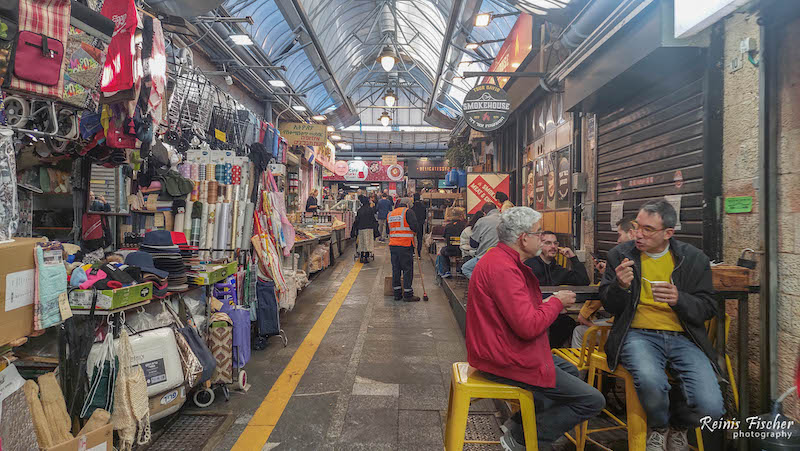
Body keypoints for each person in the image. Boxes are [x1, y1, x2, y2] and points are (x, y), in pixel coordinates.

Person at [467, 207, 605, 451]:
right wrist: (555, 302)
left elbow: (516, 312)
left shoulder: (502, 261)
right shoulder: (504, 268)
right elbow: (528, 327)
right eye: (539, 233)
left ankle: (518, 425)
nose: (542, 238)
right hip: (503, 357)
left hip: (500, 348)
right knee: (592, 400)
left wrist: (545, 306)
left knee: (569, 370)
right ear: (523, 238)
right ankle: (525, 439)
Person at [599, 200, 723, 450]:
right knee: (650, 379)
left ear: (668, 233)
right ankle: (659, 427)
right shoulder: (619, 255)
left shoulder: (692, 258)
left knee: (712, 406)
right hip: (637, 335)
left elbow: (709, 307)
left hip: (683, 337)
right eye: (637, 226)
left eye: (648, 229)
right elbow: (609, 304)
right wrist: (619, 287)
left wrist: (680, 299)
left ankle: (678, 427)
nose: (638, 234)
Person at [572, 216, 637, 348]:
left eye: (619, 235)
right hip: (630, 326)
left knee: (579, 332)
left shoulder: (625, 259)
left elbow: (608, 292)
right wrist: (608, 273)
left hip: (627, 329)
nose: (618, 241)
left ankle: (581, 368)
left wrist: (584, 316)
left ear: (631, 233)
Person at [388, 198, 420, 302]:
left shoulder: (391, 214)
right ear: (407, 204)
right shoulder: (408, 212)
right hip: (405, 244)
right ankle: (407, 294)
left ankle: (397, 294)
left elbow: (388, 230)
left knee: (396, 269)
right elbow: (415, 227)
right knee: (407, 269)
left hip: (393, 245)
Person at [460, 203, 501, 279]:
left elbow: (473, 244)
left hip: (485, 256)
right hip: (503, 257)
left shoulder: (482, 221)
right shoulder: (505, 219)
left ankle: (481, 284)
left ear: (484, 212)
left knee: (466, 268)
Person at [435, 208, 466, 278]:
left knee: (441, 251)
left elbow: (444, 237)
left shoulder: (448, 226)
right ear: (461, 216)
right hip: (462, 250)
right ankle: (459, 269)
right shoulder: (464, 226)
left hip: (450, 250)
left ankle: (445, 271)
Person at [351, 195, 378, 263]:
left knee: (362, 243)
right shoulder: (370, 210)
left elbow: (357, 220)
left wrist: (354, 229)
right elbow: (373, 219)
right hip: (369, 229)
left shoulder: (360, 210)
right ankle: (366, 257)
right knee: (368, 243)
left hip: (361, 229)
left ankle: (361, 257)